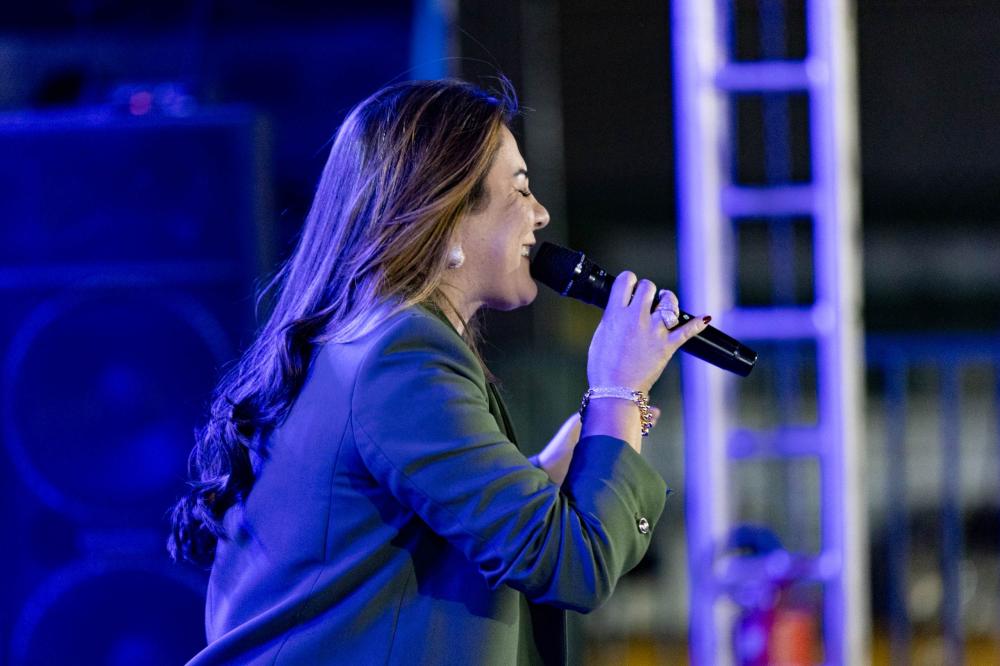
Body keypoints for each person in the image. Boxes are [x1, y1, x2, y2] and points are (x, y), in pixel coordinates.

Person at [168, 78, 710, 665]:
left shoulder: (371, 341)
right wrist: (619, 391)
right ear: (446, 214)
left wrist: (569, 447)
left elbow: (438, 524)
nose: (540, 214)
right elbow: (573, 565)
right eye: (520, 189)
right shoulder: (405, 357)